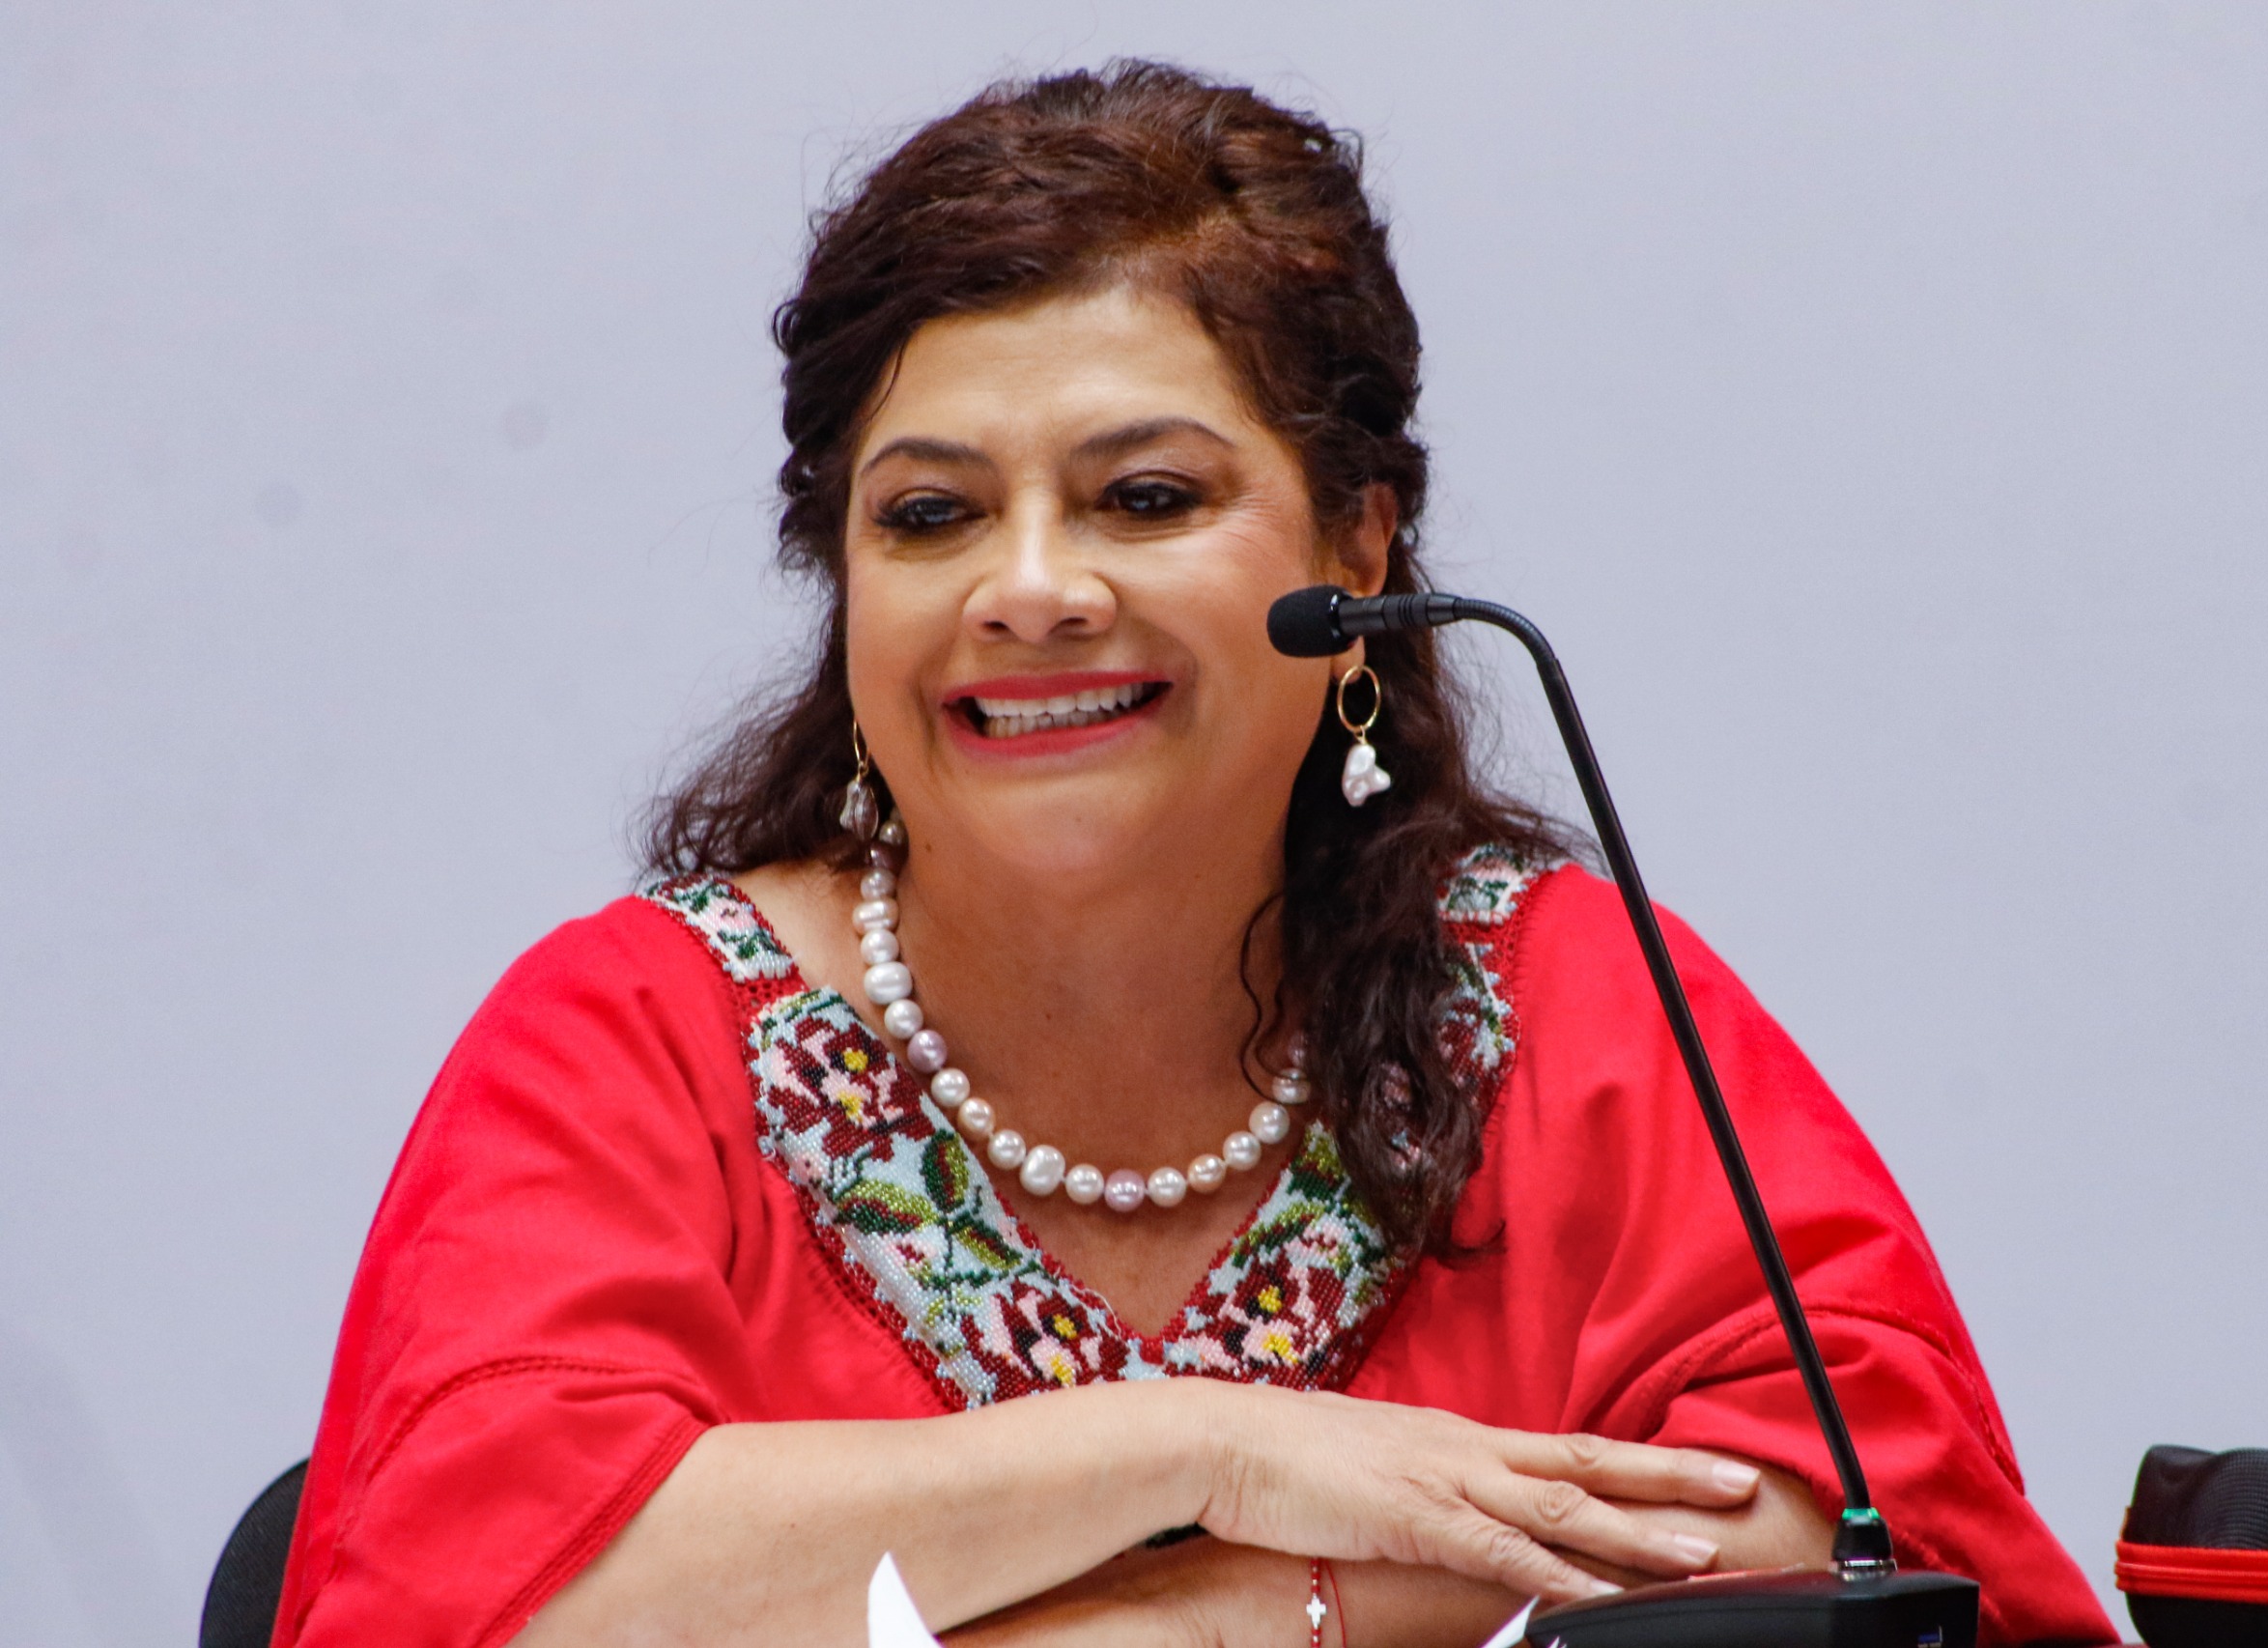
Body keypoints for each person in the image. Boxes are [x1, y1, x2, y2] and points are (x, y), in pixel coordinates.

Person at [269, 61, 2115, 1648]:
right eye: (930, 514)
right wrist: (1199, 1448)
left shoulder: (1567, 1000)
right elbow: (485, 1593)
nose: (1029, 589)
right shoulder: (631, 1039)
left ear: (1358, 549)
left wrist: (1223, 1608)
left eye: (1144, 496)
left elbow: (1868, 1534)